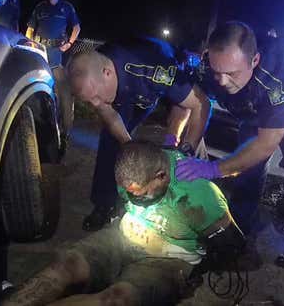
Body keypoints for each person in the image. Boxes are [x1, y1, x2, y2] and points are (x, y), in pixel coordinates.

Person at [1, 141, 244, 306]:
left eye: (141, 193)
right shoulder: (131, 171)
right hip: (125, 235)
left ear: (161, 176)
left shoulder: (199, 195)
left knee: (118, 298)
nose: (134, 197)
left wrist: (198, 267)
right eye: (130, 192)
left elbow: (232, 244)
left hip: (170, 258)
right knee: (67, 264)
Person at [173, 21, 284, 268]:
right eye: (216, 71)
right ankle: (238, 237)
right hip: (254, 113)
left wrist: (214, 169)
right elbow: (190, 101)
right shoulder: (209, 68)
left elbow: (265, 145)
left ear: (254, 61)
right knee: (247, 175)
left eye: (231, 74)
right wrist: (180, 141)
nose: (221, 81)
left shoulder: (278, 81)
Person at [66, 36, 210, 231]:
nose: (95, 104)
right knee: (111, 141)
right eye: (89, 101)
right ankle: (105, 204)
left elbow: (197, 105)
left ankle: (196, 211)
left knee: (190, 148)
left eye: (96, 97)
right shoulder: (94, 78)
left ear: (107, 73)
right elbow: (109, 114)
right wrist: (129, 147)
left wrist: (184, 147)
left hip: (152, 88)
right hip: (124, 94)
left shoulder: (153, 68)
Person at [26, 0, 81, 138]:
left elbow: (77, 27)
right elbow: (30, 28)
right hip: (40, 53)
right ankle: (36, 125)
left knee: (64, 91)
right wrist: (30, 44)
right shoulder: (40, 7)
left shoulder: (66, 8)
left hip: (58, 55)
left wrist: (69, 43)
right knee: (36, 87)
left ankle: (66, 130)